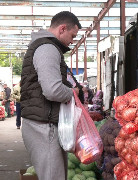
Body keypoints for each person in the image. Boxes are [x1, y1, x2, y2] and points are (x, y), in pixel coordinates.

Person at [20, 11, 81, 180]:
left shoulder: (44, 46)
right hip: (43, 126)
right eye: (72, 35)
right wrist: (73, 93)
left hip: (42, 123)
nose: (72, 41)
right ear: (62, 29)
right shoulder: (47, 48)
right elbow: (52, 90)